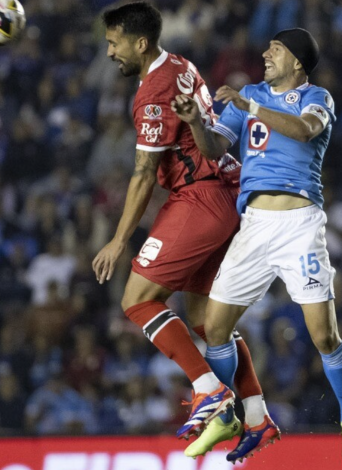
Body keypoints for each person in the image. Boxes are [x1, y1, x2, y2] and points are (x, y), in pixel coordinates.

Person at [172, 28, 342, 468]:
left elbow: (303, 131)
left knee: (324, 335)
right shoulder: (251, 93)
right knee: (213, 327)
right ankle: (226, 415)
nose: (265, 53)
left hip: (299, 224)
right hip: (255, 224)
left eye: (275, 49)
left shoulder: (318, 97)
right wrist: (195, 123)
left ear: (297, 62)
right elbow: (215, 149)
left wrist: (250, 105)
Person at [93, 1, 264, 441]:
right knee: (208, 320)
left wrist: (118, 240)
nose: (110, 52)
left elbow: (144, 173)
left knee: (136, 299)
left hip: (201, 198)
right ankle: (257, 414)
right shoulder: (181, 64)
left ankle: (209, 391)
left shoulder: (153, 91)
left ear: (140, 42)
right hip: (228, 191)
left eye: (114, 43)